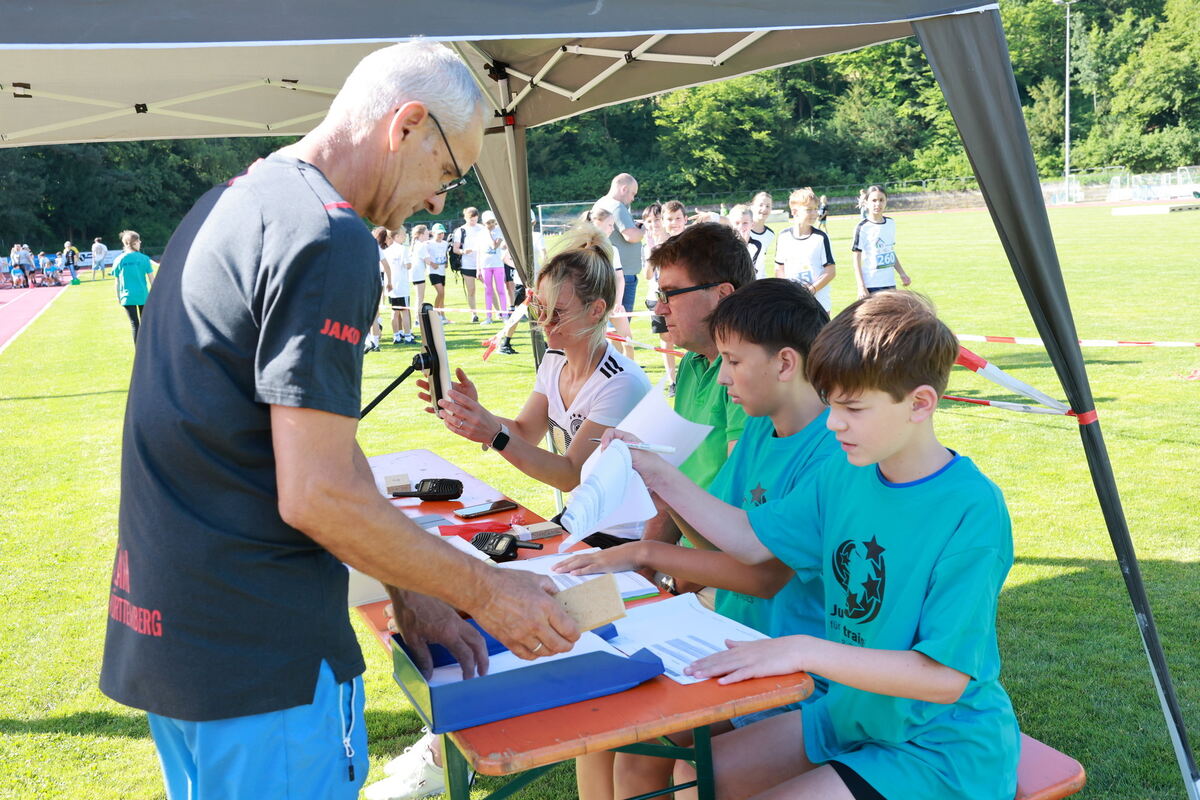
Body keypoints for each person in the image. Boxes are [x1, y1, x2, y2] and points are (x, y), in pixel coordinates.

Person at [99, 41, 579, 800]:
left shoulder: (237, 199)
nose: (438, 202)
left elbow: (319, 440)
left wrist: (407, 583)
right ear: (408, 124)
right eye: (448, 172)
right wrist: (488, 592)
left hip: (179, 636)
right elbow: (315, 491)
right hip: (262, 654)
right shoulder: (332, 235)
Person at [665, 291, 1020, 800]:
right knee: (698, 775)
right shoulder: (843, 472)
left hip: (938, 746)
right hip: (850, 715)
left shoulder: (971, 508)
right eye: (830, 404)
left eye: (853, 408)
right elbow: (750, 540)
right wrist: (656, 473)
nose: (833, 424)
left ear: (920, 403)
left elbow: (943, 679)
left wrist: (801, 650)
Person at [383, 226, 651, 800]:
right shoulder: (557, 361)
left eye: (557, 313)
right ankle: (442, 743)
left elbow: (568, 472)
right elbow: (527, 430)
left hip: (622, 548)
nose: (545, 325)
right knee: (482, 598)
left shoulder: (622, 381)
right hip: (581, 534)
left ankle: (444, 752)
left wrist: (492, 436)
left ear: (598, 310)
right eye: (541, 310)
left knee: (512, 616)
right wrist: (478, 415)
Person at [555, 278, 837, 800]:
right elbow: (717, 539)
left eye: (733, 361)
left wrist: (646, 543)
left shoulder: (830, 450)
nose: (722, 376)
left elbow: (763, 574)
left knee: (693, 769)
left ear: (785, 363)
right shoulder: (761, 426)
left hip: (793, 673)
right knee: (617, 737)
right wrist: (654, 487)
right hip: (737, 644)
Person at [593, 173, 643, 360]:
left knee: (610, 328)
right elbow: (631, 235)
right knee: (622, 330)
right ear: (623, 189)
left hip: (609, 277)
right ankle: (620, 363)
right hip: (623, 276)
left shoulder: (600, 204)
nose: (632, 198)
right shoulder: (617, 206)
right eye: (632, 194)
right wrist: (642, 229)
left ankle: (614, 361)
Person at [775, 187, 836, 313]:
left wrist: (811, 290)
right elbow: (779, 268)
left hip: (819, 304)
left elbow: (830, 271)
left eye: (816, 209)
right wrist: (789, 290)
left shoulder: (820, 237)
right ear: (795, 212)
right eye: (809, 210)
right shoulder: (783, 236)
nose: (815, 213)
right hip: (793, 302)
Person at [851, 185, 911, 299]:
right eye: (874, 200)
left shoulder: (890, 223)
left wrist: (902, 273)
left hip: (889, 283)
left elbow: (890, 251)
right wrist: (861, 286)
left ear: (886, 202)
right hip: (871, 284)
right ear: (866, 202)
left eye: (881, 200)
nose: (877, 204)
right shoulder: (862, 227)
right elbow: (856, 259)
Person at [111, 230, 156, 343]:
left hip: (127, 296)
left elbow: (117, 282)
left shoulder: (119, 259)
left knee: (134, 324)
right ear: (134, 243)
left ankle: (139, 352)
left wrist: (118, 296)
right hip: (143, 295)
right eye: (138, 240)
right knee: (146, 324)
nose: (140, 242)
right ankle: (148, 348)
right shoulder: (144, 258)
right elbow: (152, 279)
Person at [383, 226, 416, 344]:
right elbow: (407, 265)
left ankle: (396, 336)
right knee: (405, 311)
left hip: (391, 286)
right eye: (403, 234)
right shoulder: (403, 249)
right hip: (401, 286)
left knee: (394, 312)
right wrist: (410, 262)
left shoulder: (386, 251)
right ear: (396, 236)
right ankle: (407, 336)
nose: (405, 236)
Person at [451, 206, 483, 323]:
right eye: (471, 219)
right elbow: (455, 249)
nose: (473, 222)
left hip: (481, 263)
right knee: (471, 290)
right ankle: (474, 314)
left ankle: (498, 312)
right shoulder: (461, 230)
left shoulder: (482, 228)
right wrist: (464, 251)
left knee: (489, 287)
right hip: (467, 264)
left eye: (475, 219)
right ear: (466, 218)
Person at [478, 210, 508, 324]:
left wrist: (489, 234)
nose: (490, 225)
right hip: (485, 266)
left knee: (501, 290)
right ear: (484, 223)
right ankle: (488, 317)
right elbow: (479, 252)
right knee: (488, 291)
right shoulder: (481, 234)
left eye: (492, 222)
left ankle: (504, 315)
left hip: (498, 265)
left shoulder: (499, 231)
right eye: (487, 223)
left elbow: (494, 246)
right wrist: (478, 269)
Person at [424, 222, 451, 321]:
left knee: (443, 294)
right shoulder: (428, 244)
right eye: (439, 233)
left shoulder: (445, 243)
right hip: (433, 271)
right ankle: (435, 314)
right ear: (433, 233)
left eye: (442, 233)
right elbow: (424, 256)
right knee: (440, 292)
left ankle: (442, 315)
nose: (441, 235)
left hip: (442, 271)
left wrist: (446, 261)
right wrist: (431, 263)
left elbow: (445, 254)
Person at [747, 191, 776, 280]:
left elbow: (760, 261)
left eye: (768, 206)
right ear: (752, 206)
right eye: (760, 205)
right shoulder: (743, 230)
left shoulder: (770, 234)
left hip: (759, 281)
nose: (764, 209)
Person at [408, 222, 428, 312]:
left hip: (415, 274)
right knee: (420, 297)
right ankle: (417, 318)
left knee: (419, 297)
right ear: (421, 235)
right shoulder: (421, 245)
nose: (428, 235)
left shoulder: (416, 244)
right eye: (427, 234)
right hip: (418, 274)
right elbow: (428, 261)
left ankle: (417, 317)